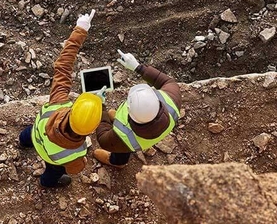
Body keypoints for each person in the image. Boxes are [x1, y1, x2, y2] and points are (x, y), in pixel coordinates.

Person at [19, 10, 103, 188]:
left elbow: (63, 65)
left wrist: (80, 29)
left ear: (73, 109)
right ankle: (47, 183)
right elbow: (75, 169)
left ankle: (23, 141)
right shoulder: (77, 152)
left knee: (28, 134)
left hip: (37, 134)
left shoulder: (58, 103)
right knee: (54, 173)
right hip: (52, 159)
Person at [93, 50, 181, 168]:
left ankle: (118, 162)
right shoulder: (172, 102)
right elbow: (166, 81)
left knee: (122, 150)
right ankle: (117, 121)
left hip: (128, 142)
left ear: (129, 110)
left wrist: (101, 106)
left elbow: (103, 138)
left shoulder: (124, 137)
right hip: (153, 132)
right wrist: (138, 67)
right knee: (124, 142)